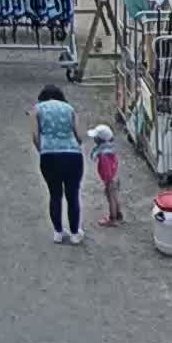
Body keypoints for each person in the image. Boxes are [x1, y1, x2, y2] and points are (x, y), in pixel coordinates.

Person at [34, 86, 85, 244]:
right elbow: (79, 136)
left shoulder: (37, 109)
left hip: (49, 155)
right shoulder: (70, 109)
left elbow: (35, 136)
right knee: (72, 194)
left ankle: (58, 232)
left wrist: (43, 150)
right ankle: (75, 233)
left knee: (55, 194)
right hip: (72, 155)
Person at [88, 125, 124, 227]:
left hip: (111, 179)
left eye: (96, 137)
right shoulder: (111, 148)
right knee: (115, 197)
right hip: (115, 176)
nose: (94, 139)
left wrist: (108, 183)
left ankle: (113, 219)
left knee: (111, 198)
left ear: (100, 140)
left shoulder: (104, 155)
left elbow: (107, 171)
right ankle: (118, 215)